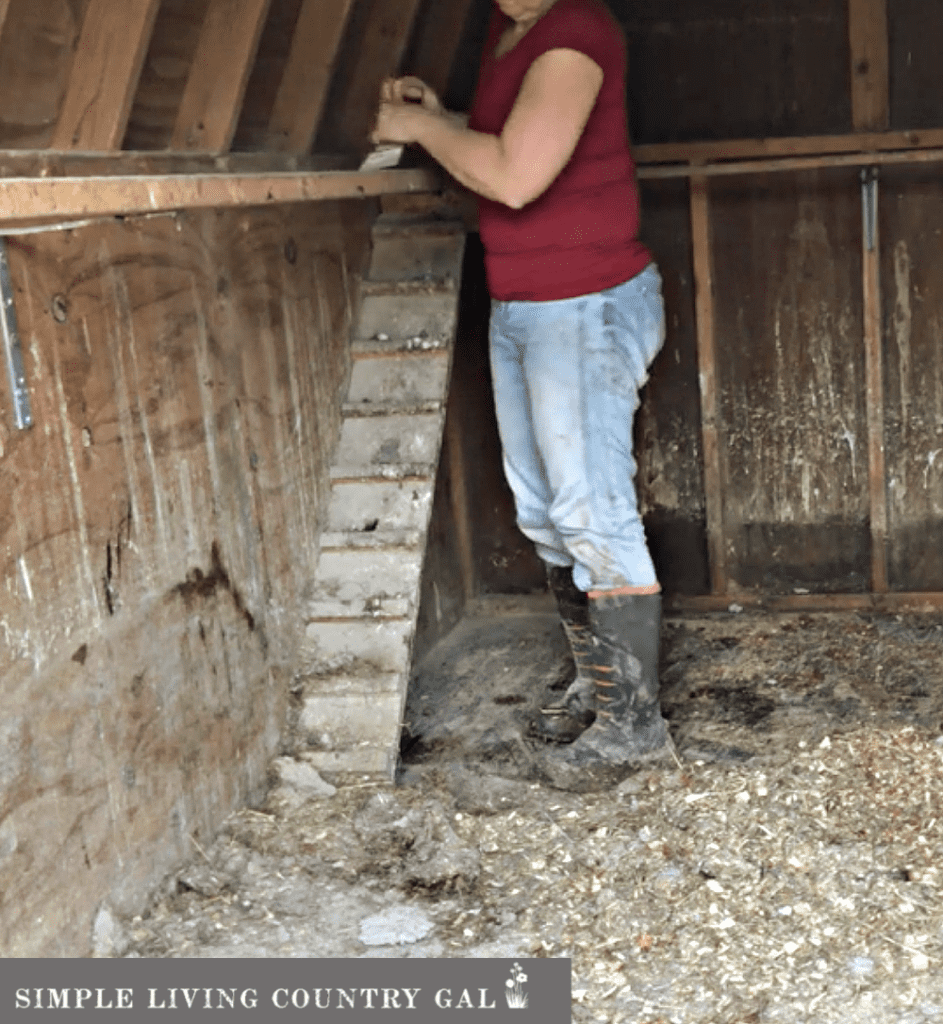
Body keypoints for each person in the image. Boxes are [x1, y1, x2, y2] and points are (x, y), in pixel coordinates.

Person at [373, 0, 671, 791]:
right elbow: (516, 137)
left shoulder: (575, 32)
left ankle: (632, 729)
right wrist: (448, 117)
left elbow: (514, 174)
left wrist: (421, 133)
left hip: (583, 301)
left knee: (589, 508)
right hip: (531, 304)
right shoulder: (514, 34)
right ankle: (601, 687)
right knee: (542, 508)